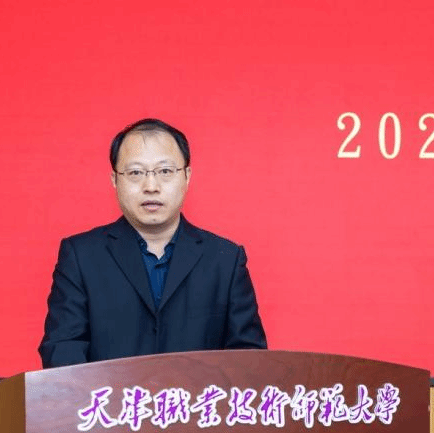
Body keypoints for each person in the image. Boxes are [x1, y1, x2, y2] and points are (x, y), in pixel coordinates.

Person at [38, 118, 267, 368]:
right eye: (135, 173)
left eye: (165, 171)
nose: (151, 186)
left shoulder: (225, 260)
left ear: (187, 176)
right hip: (108, 394)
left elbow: (249, 360)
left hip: (196, 395)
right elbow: (62, 350)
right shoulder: (81, 256)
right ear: (115, 179)